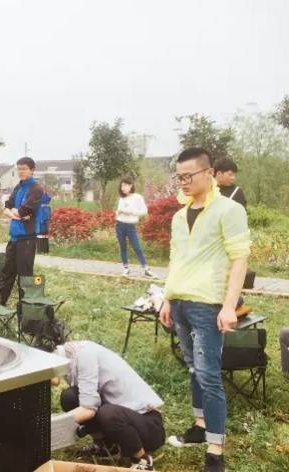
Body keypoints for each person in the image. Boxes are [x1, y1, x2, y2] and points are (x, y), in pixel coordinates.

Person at [159, 147, 251, 472]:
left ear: (208, 173)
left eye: (189, 176)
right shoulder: (178, 216)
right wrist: (168, 298)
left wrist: (229, 306)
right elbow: (176, 259)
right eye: (179, 177)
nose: (183, 182)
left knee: (210, 375)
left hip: (208, 305)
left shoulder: (228, 210)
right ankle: (200, 427)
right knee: (193, 369)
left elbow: (240, 258)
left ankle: (215, 450)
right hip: (181, 303)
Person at [55, 341, 165, 470]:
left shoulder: (85, 356)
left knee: (107, 413)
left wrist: (54, 427)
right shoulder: (71, 356)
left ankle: (143, 461)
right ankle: (106, 446)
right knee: (71, 396)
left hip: (149, 426)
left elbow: (88, 410)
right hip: (122, 414)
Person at [0, 157, 43, 305]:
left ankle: (26, 314)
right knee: (6, 275)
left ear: (32, 170)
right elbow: (7, 206)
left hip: (27, 240)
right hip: (14, 238)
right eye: (19, 169)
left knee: (25, 278)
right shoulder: (18, 187)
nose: (21, 171)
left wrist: (16, 213)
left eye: (24, 169)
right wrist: (15, 214)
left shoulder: (36, 189)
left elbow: (24, 211)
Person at [115, 177, 157, 278]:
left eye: (125, 185)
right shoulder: (122, 198)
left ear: (131, 185)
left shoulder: (137, 197)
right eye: (121, 185)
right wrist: (117, 213)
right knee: (123, 247)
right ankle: (126, 269)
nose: (123, 187)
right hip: (120, 225)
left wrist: (131, 212)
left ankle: (146, 269)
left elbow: (144, 211)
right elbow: (119, 210)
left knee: (137, 247)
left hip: (130, 226)